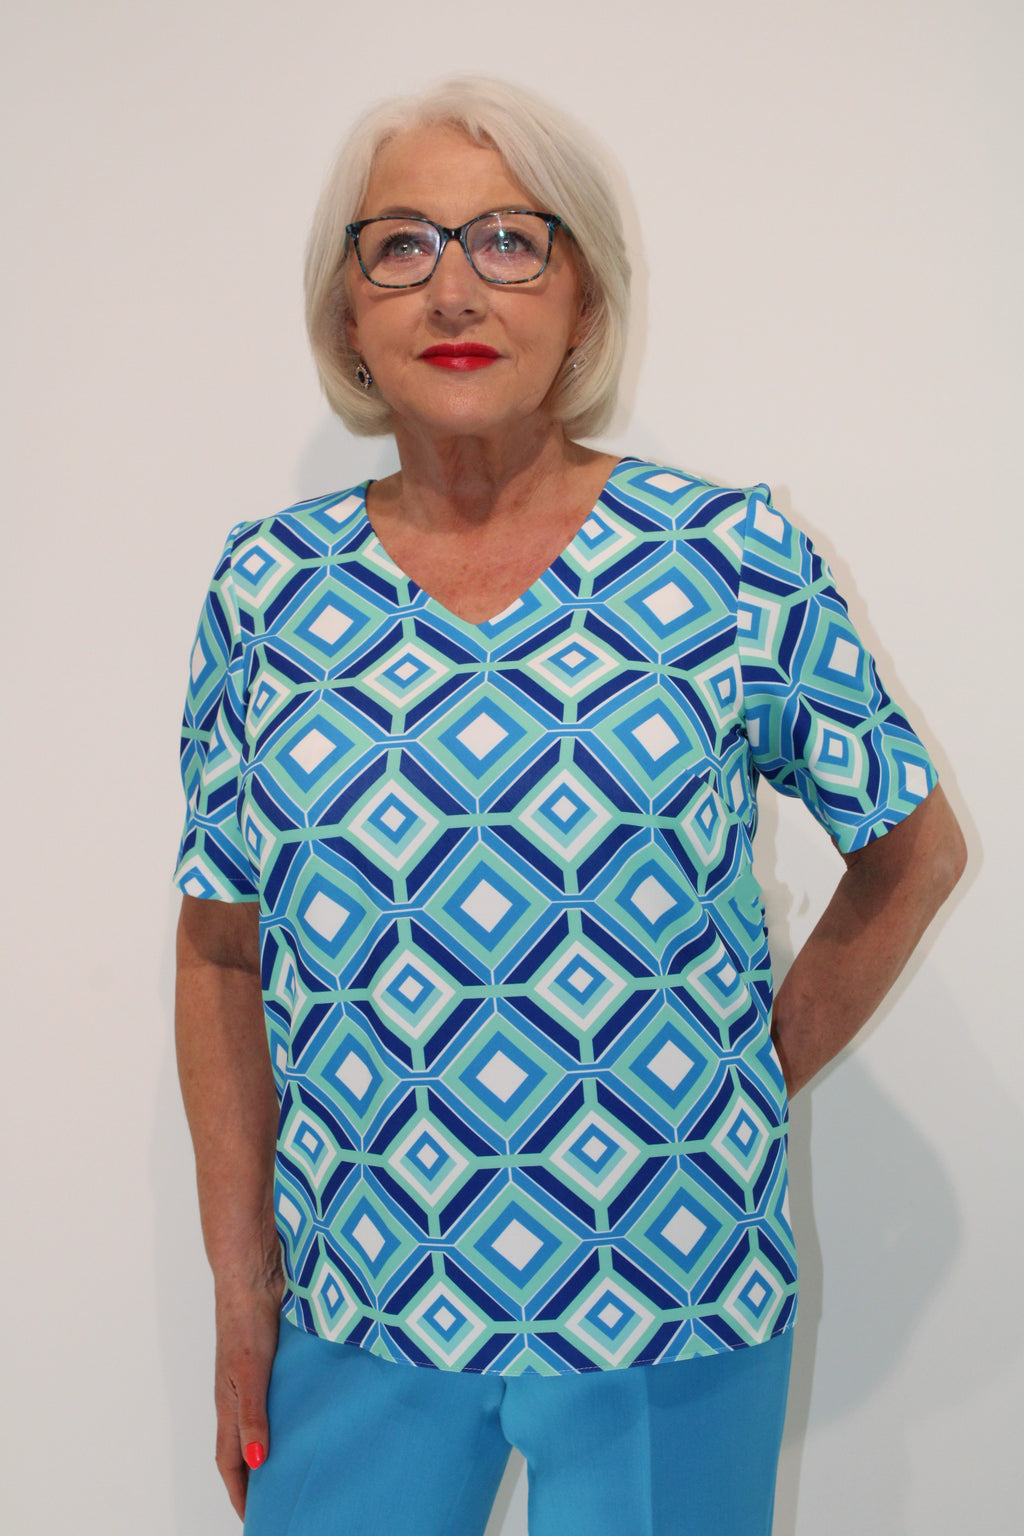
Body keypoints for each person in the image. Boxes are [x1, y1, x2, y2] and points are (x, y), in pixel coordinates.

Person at [174, 77, 966, 1536]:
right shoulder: (265, 592)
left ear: (583, 296)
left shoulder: (730, 559)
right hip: (360, 1301)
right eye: (400, 246)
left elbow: (913, 854)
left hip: (670, 1291)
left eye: (509, 240)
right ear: (346, 311)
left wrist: (742, 1079)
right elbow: (222, 951)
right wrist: (242, 1290)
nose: (454, 287)